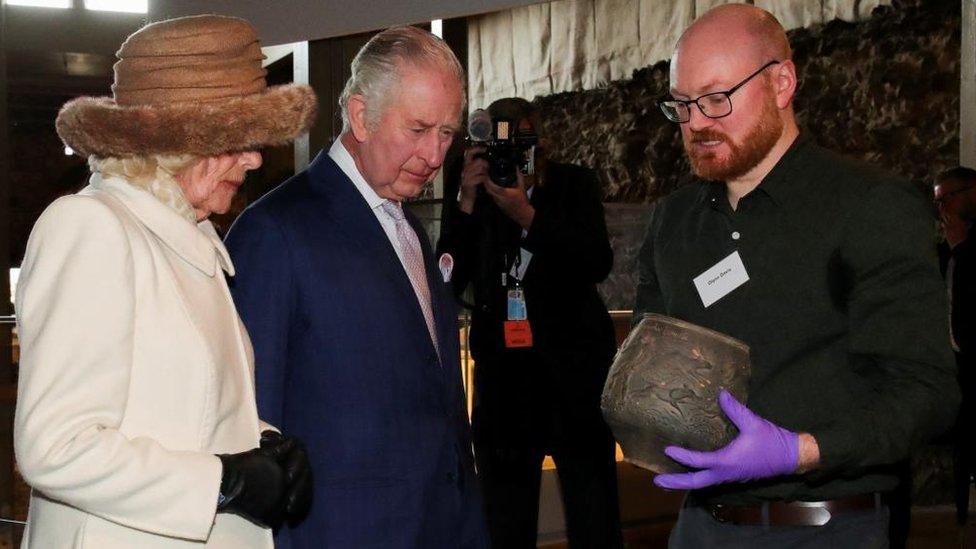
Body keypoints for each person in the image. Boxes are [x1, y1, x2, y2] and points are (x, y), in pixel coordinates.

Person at [634, 5, 958, 547]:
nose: (696, 123)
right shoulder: (674, 220)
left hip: (826, 528)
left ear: (782, 83)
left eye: (716, 99)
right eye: (682, 105)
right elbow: (655, 360)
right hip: (699, 527)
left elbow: (927, 391)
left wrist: (799, 450)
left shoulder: (869, 206)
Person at [14, 15, 316, 548]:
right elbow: (54, 447)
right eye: (237, 141)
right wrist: (226, 483)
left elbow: (180, 410)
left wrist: (265, 446)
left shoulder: (188, 235)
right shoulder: (91, 228)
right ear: (175, 145)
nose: (252, 158)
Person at [225, 26, 488, 548]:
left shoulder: (408, 227)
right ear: (362, 115)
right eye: (418, 129)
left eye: (447, 132)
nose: (436, 155)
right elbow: (250, 428)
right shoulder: (275, 231)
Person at [437, 97, 622, 548]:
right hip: (505, 388)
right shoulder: (472, 194)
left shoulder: (573, 186)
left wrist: (525, 213)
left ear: (541, 144)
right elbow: (446, 279)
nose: (512, 159)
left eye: (523, 144)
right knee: (504, 522)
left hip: (574, 381)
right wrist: (464, 199)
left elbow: (596, 261)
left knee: (594, 516)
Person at [934, 167, 976, 524]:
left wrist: (962, 247)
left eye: (949, 196)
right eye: (938, 202)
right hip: (957, 366)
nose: (944, 207)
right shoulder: (946, 247)